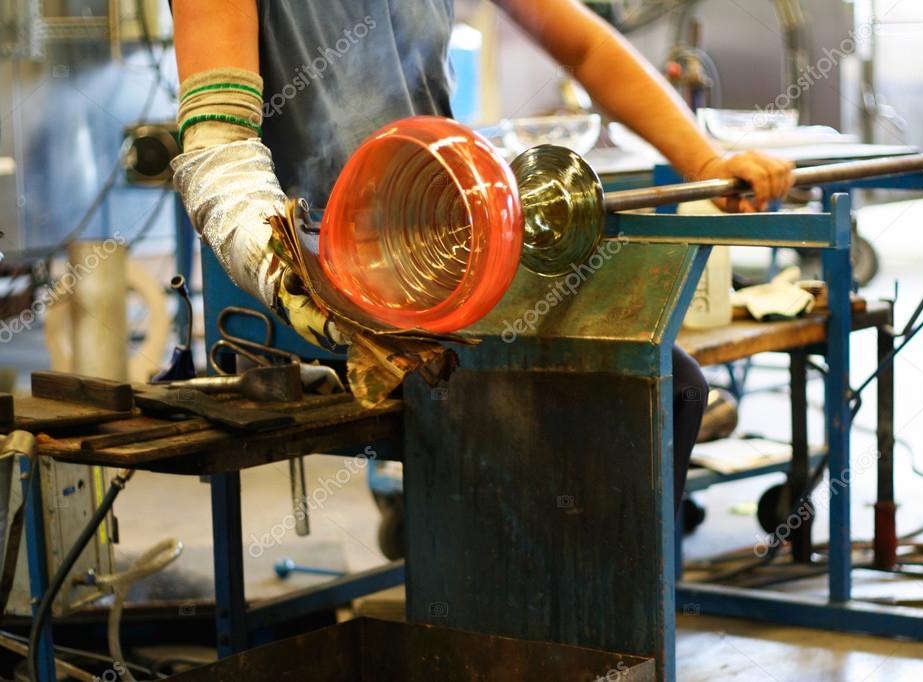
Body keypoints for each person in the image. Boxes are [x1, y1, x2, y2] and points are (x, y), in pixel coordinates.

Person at [171, 0, 795, 511]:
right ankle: (514, 622)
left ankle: (588, 635)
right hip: (321, 279)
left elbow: (585, 46)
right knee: (588, 403)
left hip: (453, 252)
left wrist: (706, 160)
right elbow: (218, 156)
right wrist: (298, 282)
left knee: (666, 386)